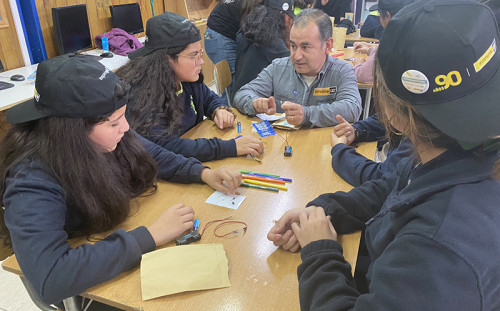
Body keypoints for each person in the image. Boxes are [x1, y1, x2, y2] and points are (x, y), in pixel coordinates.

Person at [268, 0, 500, 309]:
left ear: (391, 113)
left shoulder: (437, 247)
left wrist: (321, 251)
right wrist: (323, 212)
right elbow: (392, 188)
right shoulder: (445, 154)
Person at [0, 54, 243, 306]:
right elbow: (51, 277)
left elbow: (153, 153)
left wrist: (203, 173)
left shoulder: (103, 136)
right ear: (73, 132)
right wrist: (150, 235)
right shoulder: (30, 179)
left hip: (108, 242)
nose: (126, 128)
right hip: (93, 284)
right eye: (114, 122)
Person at [116, 12, 264, 162]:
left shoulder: (187, 79)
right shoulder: (143, 96)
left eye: (200, 53)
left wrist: (218, 109)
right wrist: (228, 147)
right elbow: (168, 146)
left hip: (190, 159)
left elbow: (209, 97)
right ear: (167, 60)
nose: (201, 62)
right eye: (193, 56)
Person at [234, 8, 362, 128]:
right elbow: (241, 94)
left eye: (305, 47)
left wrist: (307, 114)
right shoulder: (278, 67)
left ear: (328, 45)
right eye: (293, 46)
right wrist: (254, 103)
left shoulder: (342, 71)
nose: (297, 56)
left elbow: (352, 108)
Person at [231, 0, 294, 103]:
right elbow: (295, 67)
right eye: (290, 18)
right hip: (257, 104)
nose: (291, 21)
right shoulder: (275, 44)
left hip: (240, 97)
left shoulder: (245, 33)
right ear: (283, 17)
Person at [204, 0, 262, 102]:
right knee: (232, 85)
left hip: (219, 33)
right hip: (219, 35)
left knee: (236, 82)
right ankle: (228, 114)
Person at [353, 0, 414, 84]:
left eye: (380, 14)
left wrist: (357, 65)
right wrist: (371, 49)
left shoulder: (390, 40)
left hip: (392, 95)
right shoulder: (413, 34)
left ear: (387, 16)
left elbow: (362, 76)